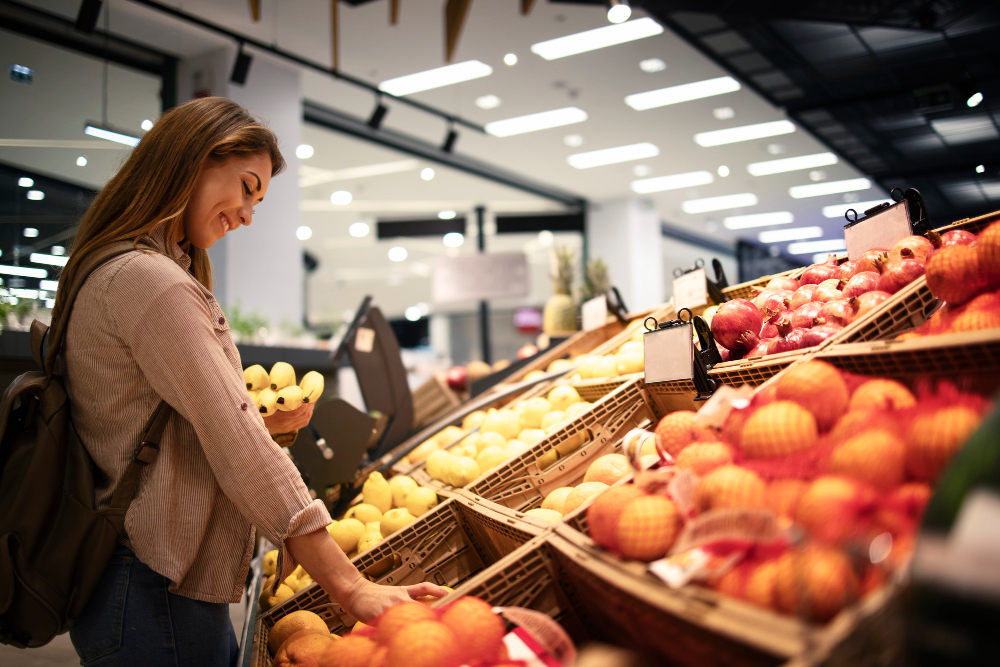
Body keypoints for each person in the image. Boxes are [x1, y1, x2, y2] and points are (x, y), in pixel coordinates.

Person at [59, 97, 446, 667]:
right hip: (152, 586)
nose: (244, 214)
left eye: (256, 203)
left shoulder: (124, 267)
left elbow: (152, 422)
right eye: (245, 187)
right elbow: (230, 437)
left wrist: (264, 424)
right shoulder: (150, 282)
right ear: (193, 159)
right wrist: (352, 586)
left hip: (140, 578)